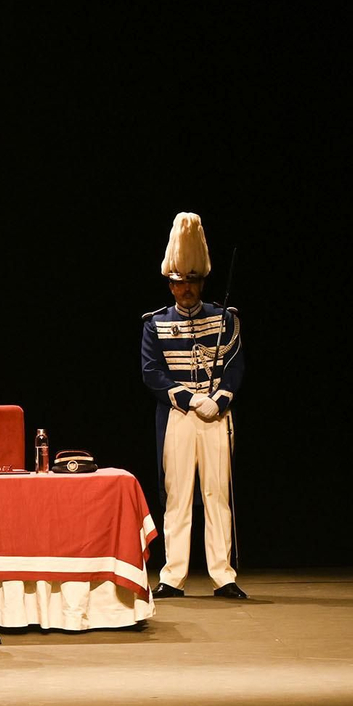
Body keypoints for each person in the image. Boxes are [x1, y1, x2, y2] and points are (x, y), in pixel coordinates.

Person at [142, 212, 247, 600]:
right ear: (170, 284)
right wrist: (190, 399)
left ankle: (223, 575)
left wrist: (218, 400)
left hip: (216, 415)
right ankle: (173, 576)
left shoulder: (224, 319)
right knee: (178, 495)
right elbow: (152, 373)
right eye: (178, 282)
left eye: (191, 281)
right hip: (179, 415)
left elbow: (235, 367)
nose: (185, 289)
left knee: (217, 495)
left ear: (202, 281)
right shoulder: (155, 323)